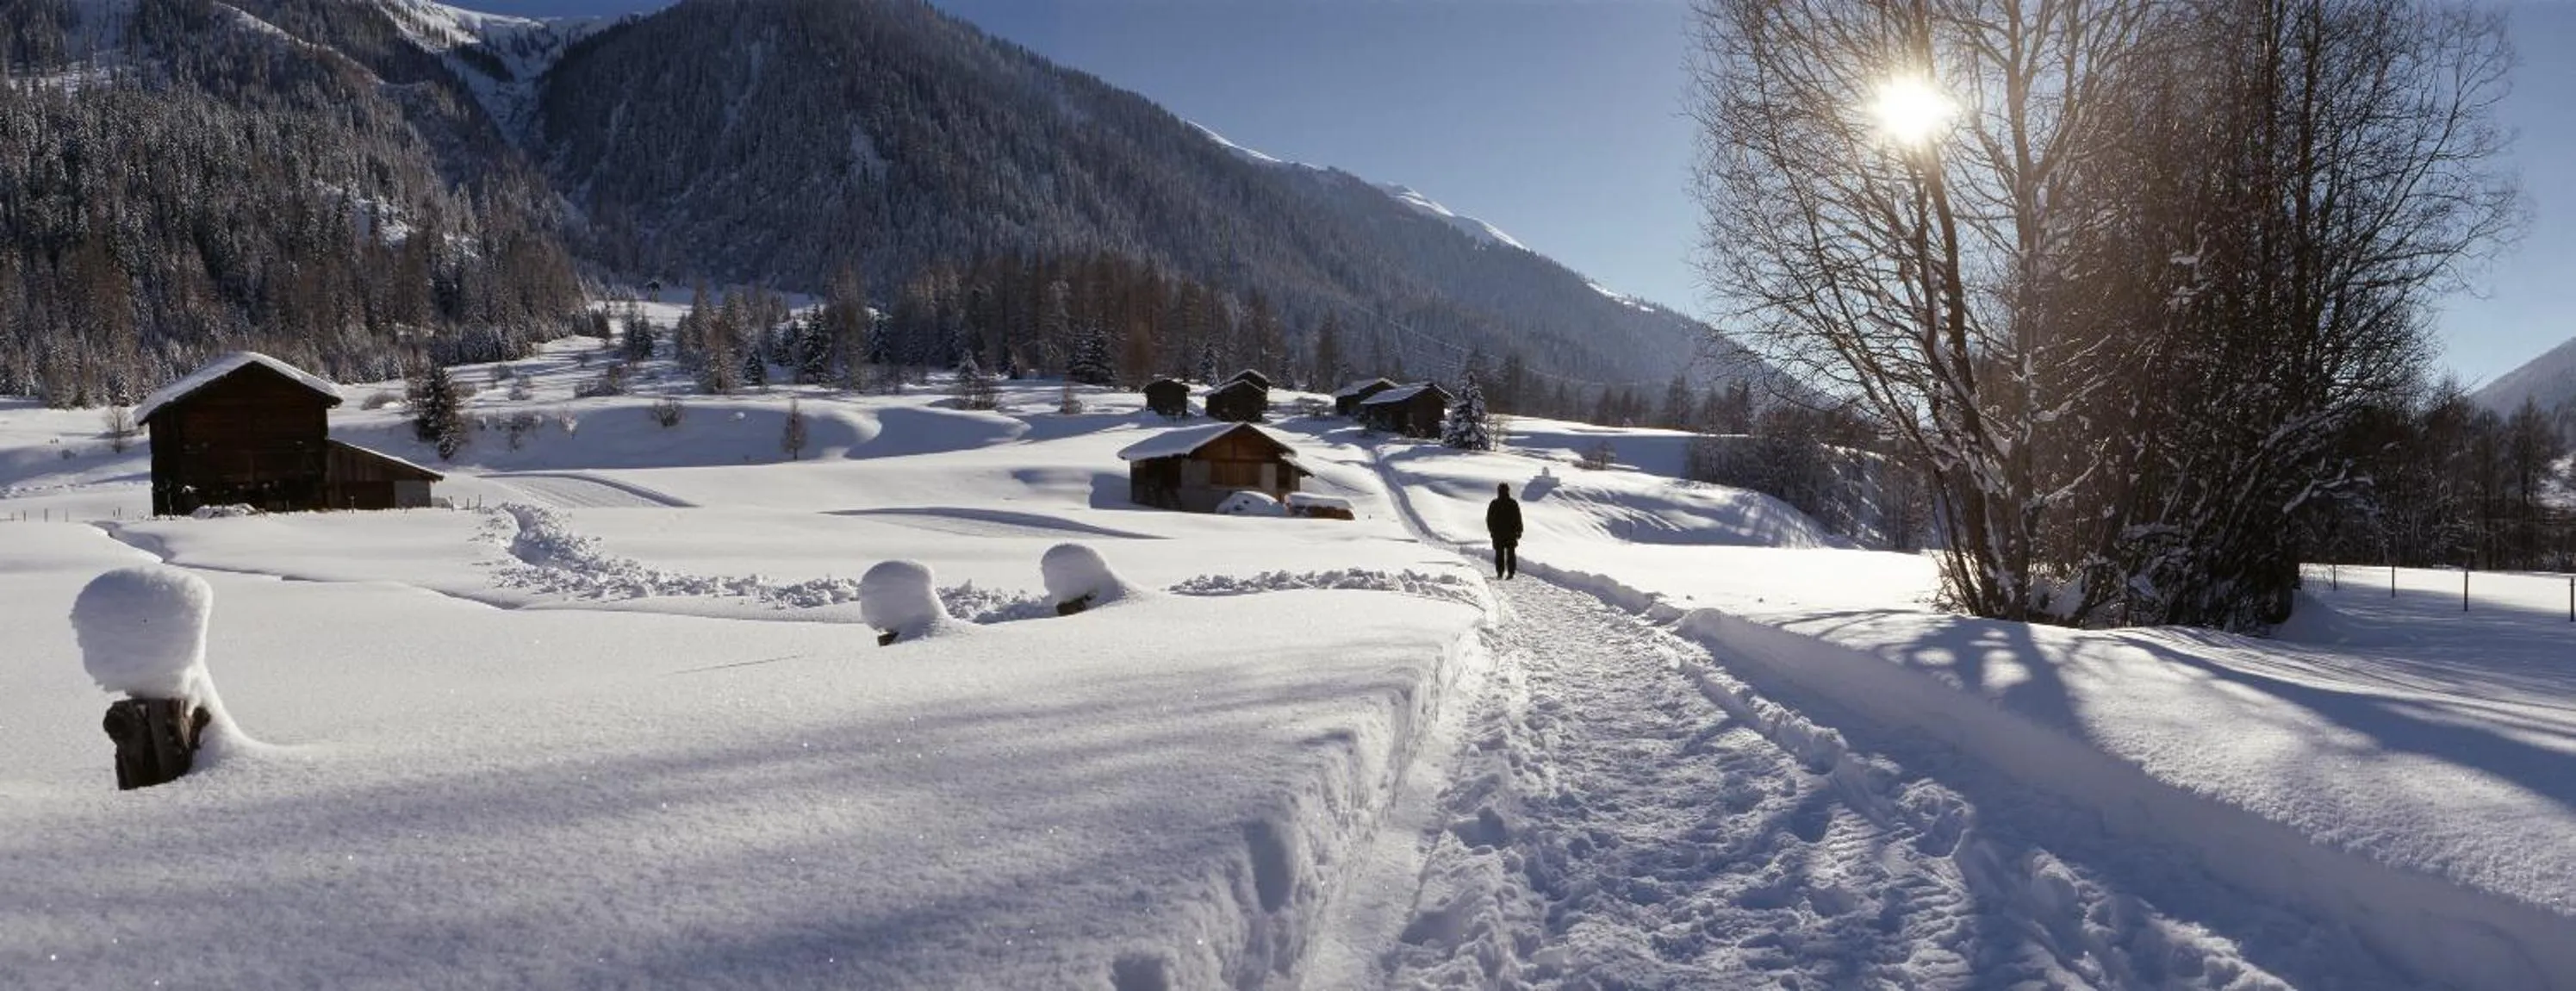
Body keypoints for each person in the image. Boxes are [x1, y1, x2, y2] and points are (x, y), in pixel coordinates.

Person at [1486, 482, 1523, 580]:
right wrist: (1519, 531)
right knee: (1511, 553)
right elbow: (1518, 518)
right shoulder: (1513, 503)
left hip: (1498, 534)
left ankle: (1500, 573)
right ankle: (1511, 573)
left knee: (1499, 554)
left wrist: (1492, 531)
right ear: (1508, 491)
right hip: (1511, 534)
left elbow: (1489, 520)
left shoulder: (1494, 503)